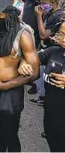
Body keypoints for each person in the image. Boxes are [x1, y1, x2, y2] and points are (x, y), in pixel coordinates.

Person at [0, 0, 40, 152]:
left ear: (10, 13)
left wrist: (3, 86)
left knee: (11, 135)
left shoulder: (23, 35)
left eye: (0, 14)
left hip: (11, 92)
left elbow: (35, 72)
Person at [19, 20, 65, 152]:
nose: (64, 39)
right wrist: (23, 62)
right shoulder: (53, 52)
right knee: (54, 145)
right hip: (51, 113)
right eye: (61, 34)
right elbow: (31, 57)